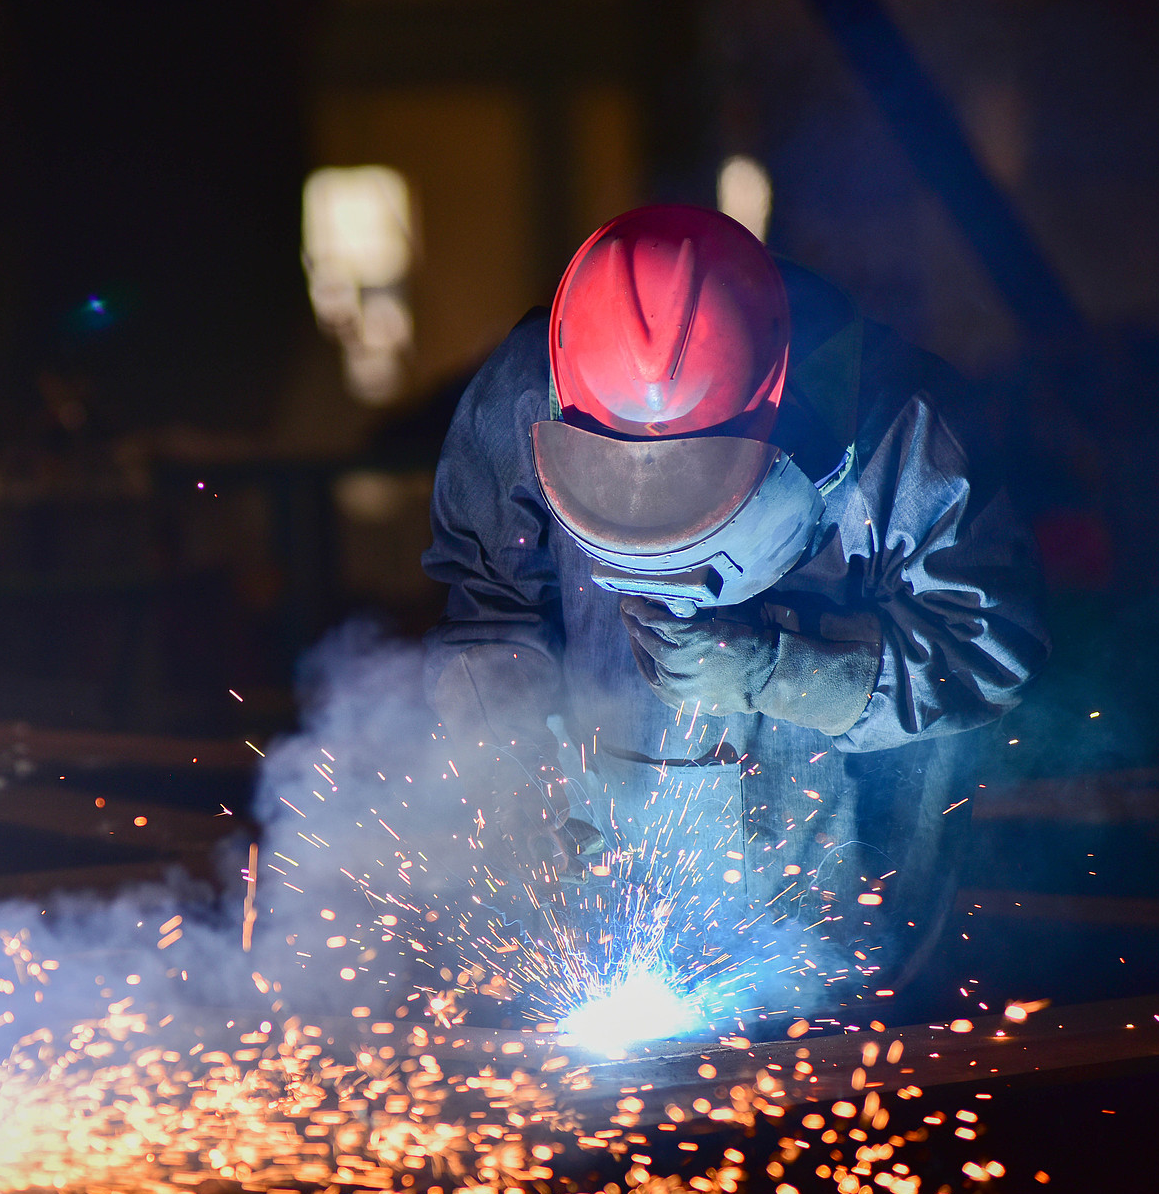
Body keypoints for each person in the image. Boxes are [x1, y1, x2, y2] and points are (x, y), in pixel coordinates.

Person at [423, 205, 1047, 1001]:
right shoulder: (524, 395)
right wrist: (509, 779)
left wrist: (780, 671)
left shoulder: (903, 429)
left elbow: (989, 649)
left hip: (853, 922)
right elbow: (486, 605)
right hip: (605, 902)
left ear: (781, 413)